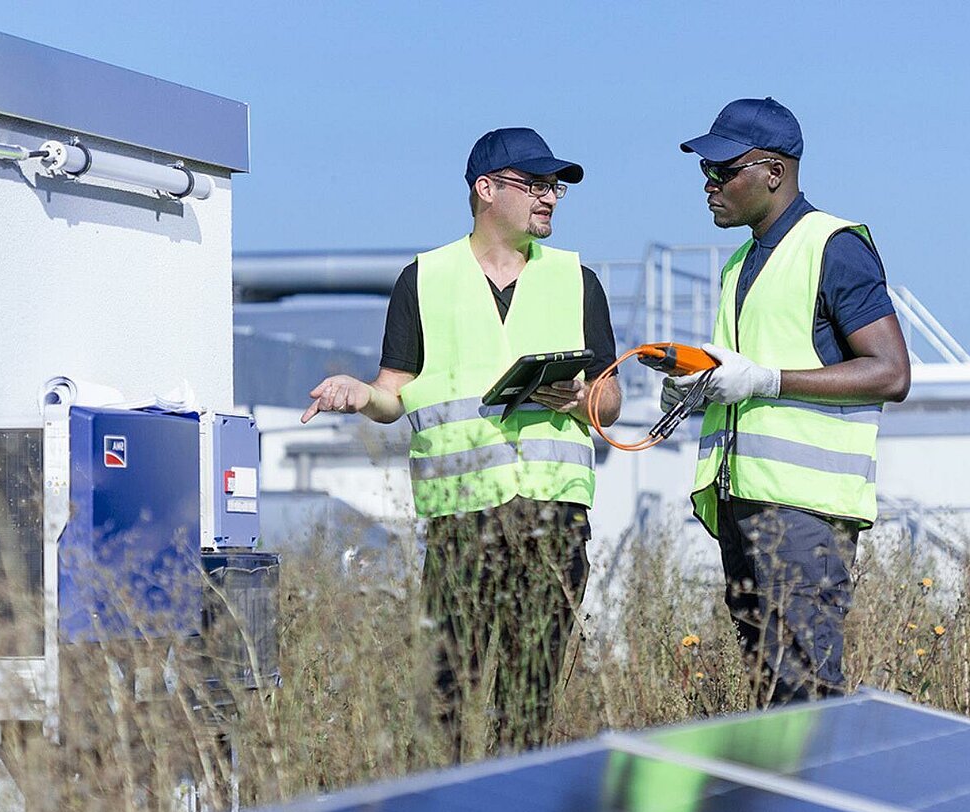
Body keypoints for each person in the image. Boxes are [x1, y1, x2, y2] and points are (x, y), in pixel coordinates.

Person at [301, 127, 622, 756]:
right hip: (461, 523)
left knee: (530, 705)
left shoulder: (576, 279)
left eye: (555, 187)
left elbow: (610, 398)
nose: (550, 198)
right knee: (446, 702)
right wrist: (361, 394)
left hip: (553, 519)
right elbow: (394, 392)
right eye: (536, 185)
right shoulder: (422, 279)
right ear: (486, 190)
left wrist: (580, 398)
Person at [665, 97, 910, 704]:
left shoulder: (834, 246)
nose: (709, 184)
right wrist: (698, 389)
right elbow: (748, 377)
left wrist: (767, 380)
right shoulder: (740, 264)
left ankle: (814, 800)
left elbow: (891, 372)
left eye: (724, 170)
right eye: (705, 171)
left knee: (803, 696)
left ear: (774, 171)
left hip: (804, 515)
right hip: (745, 505)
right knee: (773, 697)